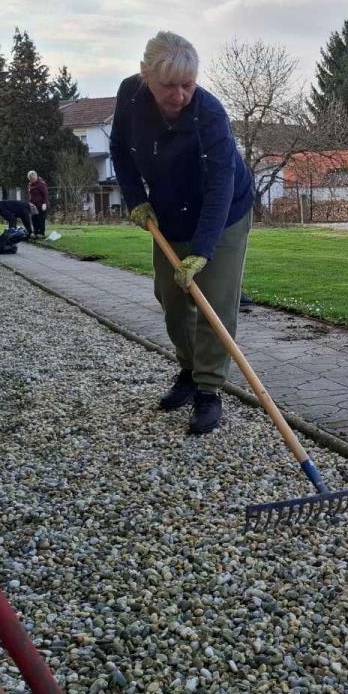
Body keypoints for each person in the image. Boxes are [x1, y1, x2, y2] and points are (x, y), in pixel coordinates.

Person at [109, 31, 254, 435]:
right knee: (171, 297)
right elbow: (120, 149)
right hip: (169, 208)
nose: (179, 96)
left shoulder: (209, 114)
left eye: (188, 84)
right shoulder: (129, 97)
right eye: (168, 86)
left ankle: (209, 390)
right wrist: (136, 198)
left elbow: (220, 186)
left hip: (223, 213)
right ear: (145, 76)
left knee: (214, 301)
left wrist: (204, 250)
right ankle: (189, 371)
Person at [27, 170, 49, 238]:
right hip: (33, 204)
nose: (32, 180)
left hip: (41, 205)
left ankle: (41, 233)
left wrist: (44, 203)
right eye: (31, 179)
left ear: (36, 177)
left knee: (41, 219)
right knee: (34, 218)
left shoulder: (41, 184)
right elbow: (31, 194)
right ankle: (35, 232)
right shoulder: (30, 184)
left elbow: (45, 194)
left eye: (33, 179)